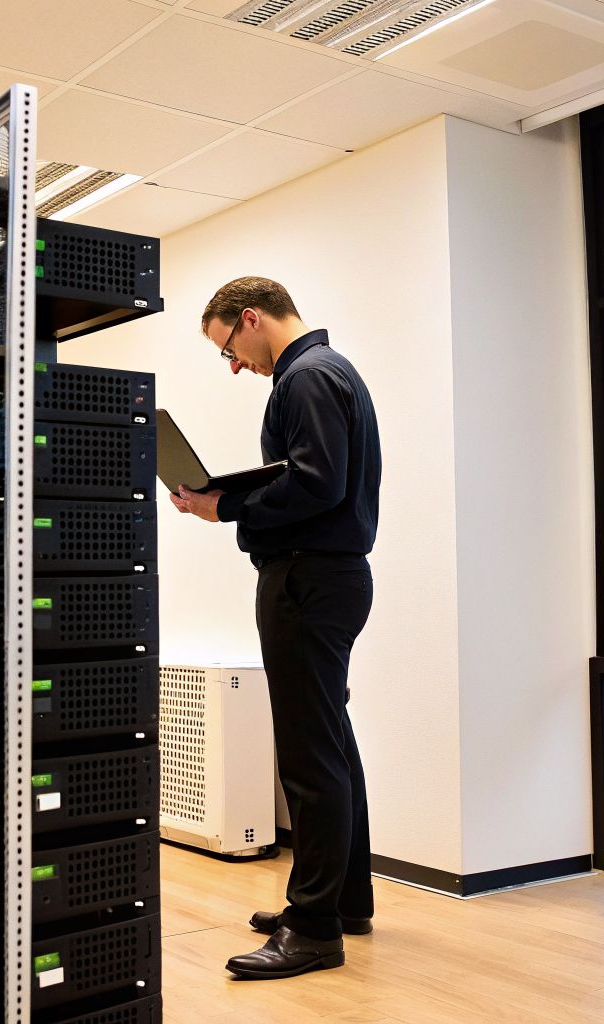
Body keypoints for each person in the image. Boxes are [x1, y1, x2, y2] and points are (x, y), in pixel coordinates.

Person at [170, 277, 382, 980]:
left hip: (308, 580)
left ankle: (315, 928)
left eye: (230, 348)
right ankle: (342, 901)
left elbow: (317, 482)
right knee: (330, 745)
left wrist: (226, 507)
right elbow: (316, 478)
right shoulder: (324, 373)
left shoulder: (308, 377)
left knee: (309, 754)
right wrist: (235, 498)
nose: (235, 365)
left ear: (251, 319)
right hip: (328, 578)